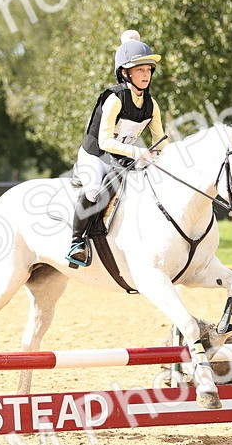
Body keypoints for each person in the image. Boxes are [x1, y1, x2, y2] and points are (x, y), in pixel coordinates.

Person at [66, 30, 168, 267]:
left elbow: (161, 141)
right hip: (96, 155)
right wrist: (137, 152)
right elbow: (104, 142)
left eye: (148, 70)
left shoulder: (152, 105)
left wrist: (166, 159)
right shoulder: (114, 98)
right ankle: (77, 243)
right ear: (125, 72)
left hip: (121, 158)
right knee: (93, 192)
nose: (146, 74)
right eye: (140, 70)